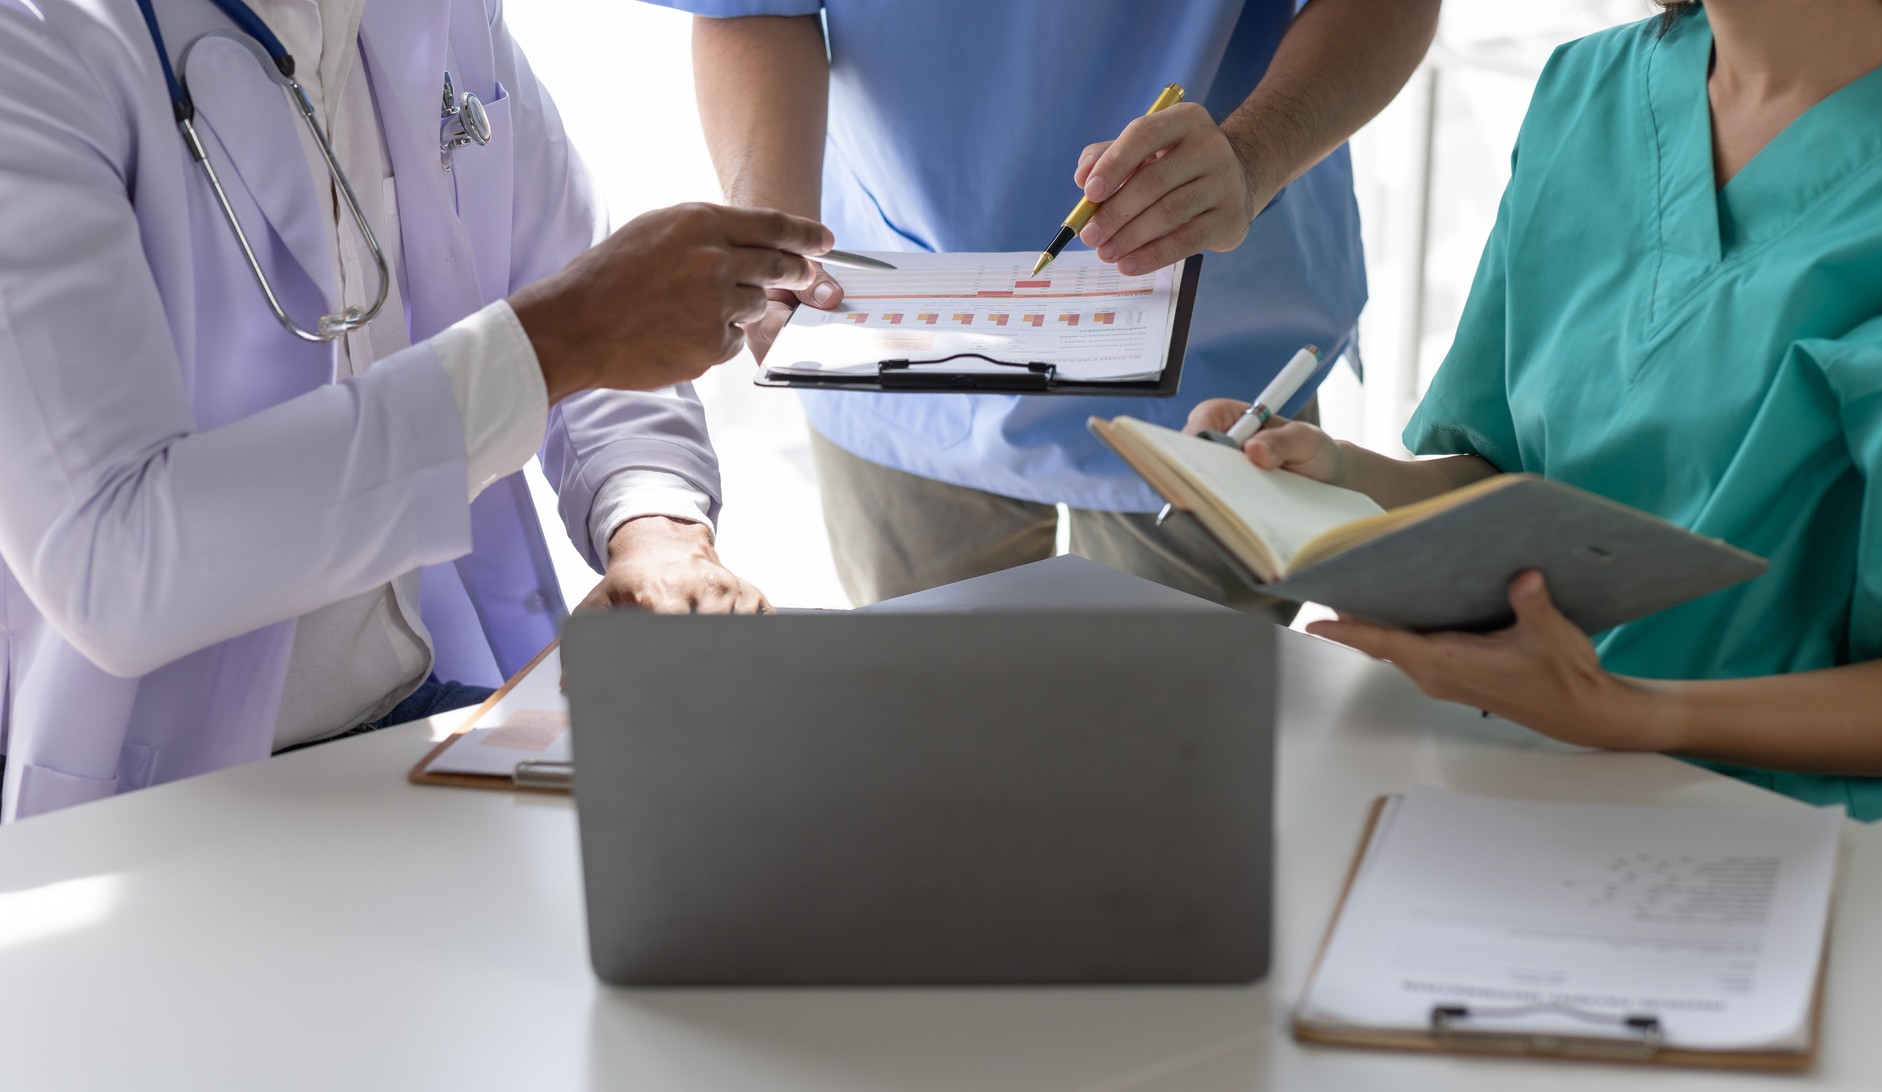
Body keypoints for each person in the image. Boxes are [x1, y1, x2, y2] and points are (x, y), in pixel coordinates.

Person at [0, 0, 832, 820]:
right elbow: (112, 558)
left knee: (771, 832)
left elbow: (596, 290)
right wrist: (556, 343)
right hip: (160, 781)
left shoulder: (436, 13)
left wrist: (658, 529)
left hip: (419, 704)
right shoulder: (31, 44)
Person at [1192, 0, 1882, 824]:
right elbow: (1522, 491)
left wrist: (1629, 711)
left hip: (1810, 833)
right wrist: (1345, 479)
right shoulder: (1592, 89)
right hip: (1527, 771)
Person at [655, 0, 1439, 614]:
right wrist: (768, 231)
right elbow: (749, 5)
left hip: (1209, 338)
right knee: (929, 739)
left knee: (1172, 759)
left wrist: (1250, 156)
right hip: (886, 317)